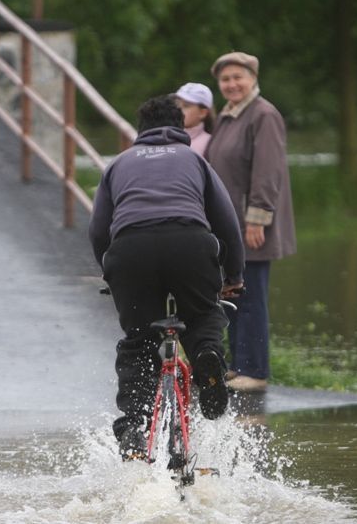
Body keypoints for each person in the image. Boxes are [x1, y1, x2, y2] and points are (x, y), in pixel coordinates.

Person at [88, 95, 245, 460]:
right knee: (204, 313)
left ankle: (134, 427)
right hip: (189, 244)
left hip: (130, 251)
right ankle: (206, 355)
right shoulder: (194, 160)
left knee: (139, 341)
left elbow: (98, 230)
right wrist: (233, 276)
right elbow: (227, 224)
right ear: (181, 129)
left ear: (139, 131)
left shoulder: (119, 164)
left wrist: (111, 272)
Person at [204, 51, 296, 393]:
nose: (231, 84)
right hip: (229, 226)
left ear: (253, 79)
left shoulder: (263, 115)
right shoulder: (229, 115)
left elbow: (268, 171)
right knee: (232, 293)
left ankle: (254, 371)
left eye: (238, 77)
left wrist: (257, 219)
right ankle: (236, 364)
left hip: (251, 225)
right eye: (225, 79)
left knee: (251, 296)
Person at [174, 82, 215, 157]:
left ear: (203, 112)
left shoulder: (211, 144)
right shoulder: (167, 139)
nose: (179, 110)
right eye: (177, 104)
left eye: (186, 106)